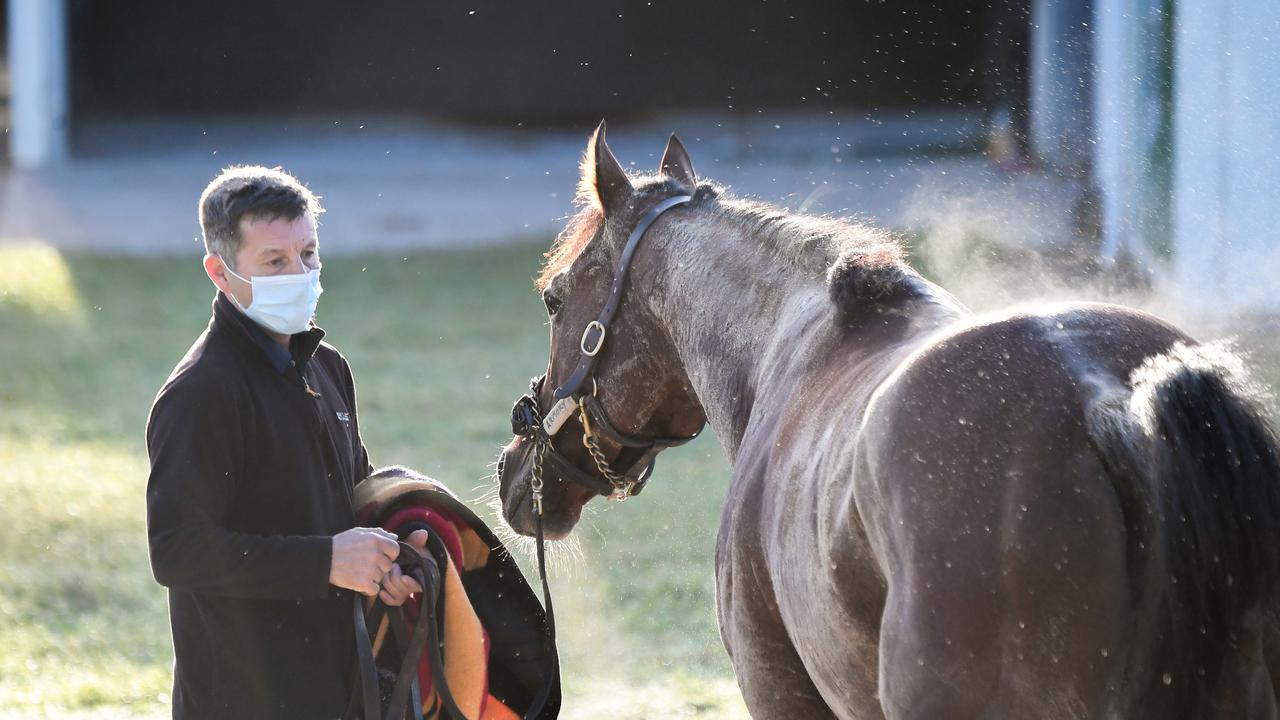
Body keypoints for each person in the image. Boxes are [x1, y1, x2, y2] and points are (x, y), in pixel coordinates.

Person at [145, 165, 425, 718]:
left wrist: (392, 558)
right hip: (242, 699)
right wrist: (325, 561)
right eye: (274, 262)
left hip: (343, 687)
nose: (300, 273)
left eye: (309, 254)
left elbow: (355, 501)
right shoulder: (199, 395)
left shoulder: (329, 369)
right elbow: (177, 551)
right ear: (220, 273)